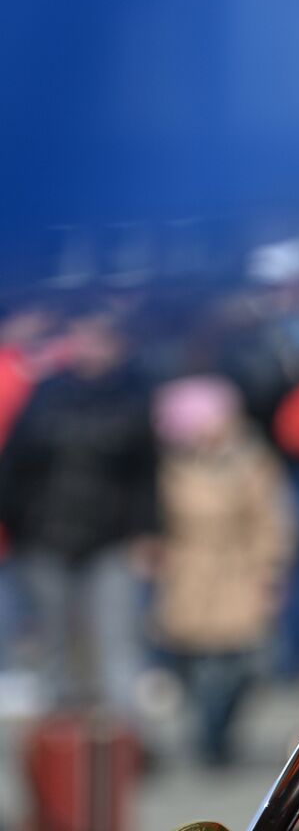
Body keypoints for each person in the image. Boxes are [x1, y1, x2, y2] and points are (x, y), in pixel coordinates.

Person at [0, 306, 158, 720]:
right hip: (43, 535)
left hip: (111, 537)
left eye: (100, 340)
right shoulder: (45, 393)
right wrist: (16, 524)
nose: (91, 350)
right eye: (83, 338)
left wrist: (147, 532)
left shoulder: (136, 395)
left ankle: (125, 737)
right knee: (52, 642)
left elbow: (147, 473)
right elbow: (14, 464)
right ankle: (56, 747)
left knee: (116, 639)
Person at [151, 375, 292, 766]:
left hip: (238, 569)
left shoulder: (251, 461)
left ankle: (220, 732)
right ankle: (209, 738)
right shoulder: (169, 467)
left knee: (243, 665)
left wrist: (271, 565)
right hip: (189, 571)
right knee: (197, 663)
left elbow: (272, 519)